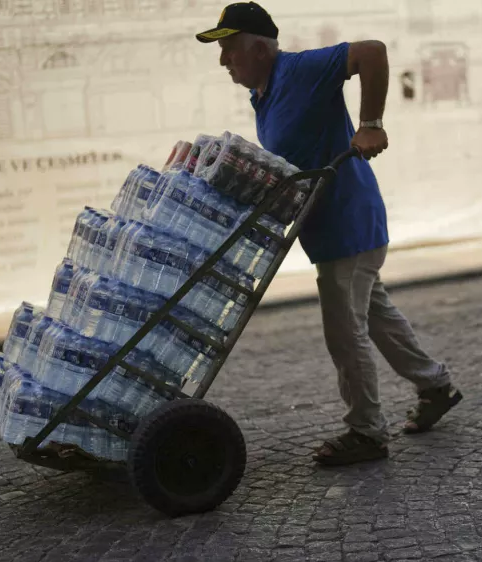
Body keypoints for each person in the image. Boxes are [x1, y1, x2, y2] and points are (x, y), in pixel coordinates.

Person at [195, 1, 462, 466]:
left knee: (344, 330)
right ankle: (436, 384)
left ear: (259, 48)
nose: (223, 61)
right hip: (333, 227)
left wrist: (371, 125)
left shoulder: (299, 69)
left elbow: (372, 52)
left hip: (349, 221)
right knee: (375, 314)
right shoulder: (265, 93)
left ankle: (366, 432)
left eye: (229, 50)